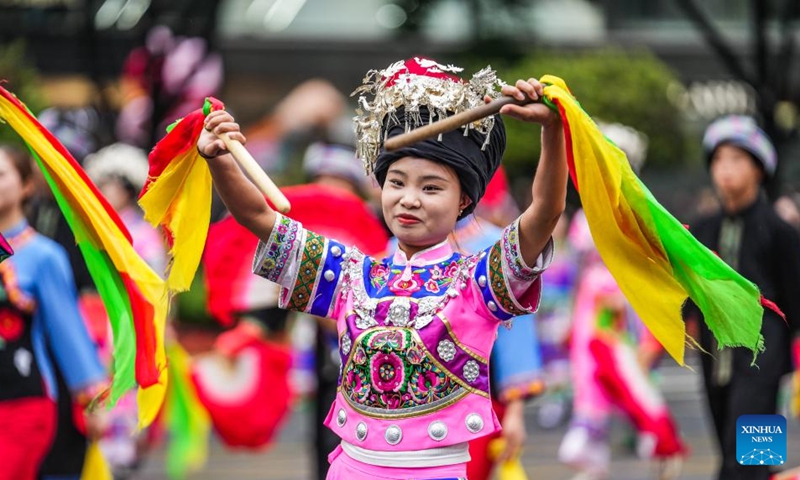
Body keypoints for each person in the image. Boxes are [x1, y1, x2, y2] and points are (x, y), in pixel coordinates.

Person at [197, 57, 567, 479]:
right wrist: (220, 159)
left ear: (463, 201)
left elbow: (546, 211)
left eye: (431, 187)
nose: (409, 199)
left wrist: (551, 132)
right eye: (397, 182)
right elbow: (259, 219)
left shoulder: (477, 280)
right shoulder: (351, 274)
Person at [683, 115, 800, 480]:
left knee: (747, 462)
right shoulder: (701, 229)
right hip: (715, 363)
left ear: (759, 169)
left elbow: (796, 299)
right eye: (718, 160)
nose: (725, 170)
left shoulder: (779, 230)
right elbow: (688, 294)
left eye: (736, 159)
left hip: (764, 365)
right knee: (736, 456)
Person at [0, 144, 107, 480]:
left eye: (1, 174)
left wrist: (91, 399)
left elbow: (68, 332)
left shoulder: (44, 255)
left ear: (26, 185)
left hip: (25, 399)